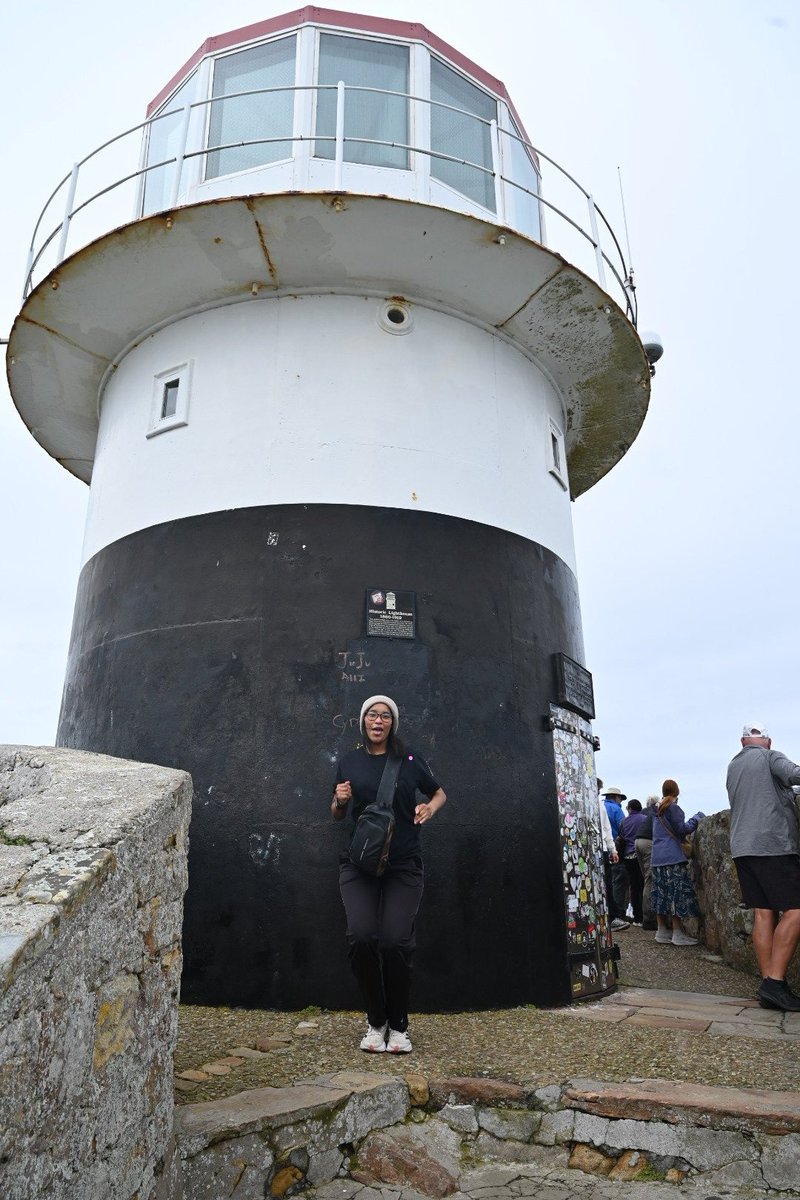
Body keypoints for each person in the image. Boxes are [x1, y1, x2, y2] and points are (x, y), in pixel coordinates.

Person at [332, 695, 446, 1053]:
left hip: (403, 864)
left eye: (384, 716)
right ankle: (376, 1021)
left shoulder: (409, 759)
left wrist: (430, 808)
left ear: (392, 722)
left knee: (395, 941)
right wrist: (340, 800)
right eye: (372, 715)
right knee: (361, 937)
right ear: (363, 721)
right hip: (360, 864)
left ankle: (398, 1026)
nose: (378, 721)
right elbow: (337, 813)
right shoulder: (349, 761)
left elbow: (439, 793)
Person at [726, 720, 800, 1012]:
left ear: (742, 742)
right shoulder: (771, 757)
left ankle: (769, 984)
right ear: (768, 741)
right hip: (772, 844)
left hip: (742, 847)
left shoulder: (733, 766)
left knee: (763, 912)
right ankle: (775, 982)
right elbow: (794, 774)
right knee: (796, 909)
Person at [651, 779, 704, 946]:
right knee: (676, 894)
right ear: (677, 792)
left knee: (661, 895)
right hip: (672, 856)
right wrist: (697, 818)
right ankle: (677, 933)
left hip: (657, 858)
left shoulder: (657, 809)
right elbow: (682, 830)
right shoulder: (673, 808)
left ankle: (661, 931)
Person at [596, 779, 626, 931]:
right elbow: (614, 828)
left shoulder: (601, 805)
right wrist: (613, 849)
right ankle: (614, 917)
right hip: (603, 848)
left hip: (597, 848)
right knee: (609, 883)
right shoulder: (611, 808)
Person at [602, 786, 630, 928]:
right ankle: (616, 914)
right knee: (618, 881)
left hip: (601, 849)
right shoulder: (616, 809)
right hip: (613, 848)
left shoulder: (600, 806)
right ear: (616, 797)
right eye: (620, 798)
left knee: (608, 882)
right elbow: (623, 827)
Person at [618, 799, 646, 925]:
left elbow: (621, 836)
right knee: (644, 885)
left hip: (628, 856)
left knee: (634, 887)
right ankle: (646, 916)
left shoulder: (624, 821)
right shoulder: (645, 819)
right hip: (641, 856)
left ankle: (637, 917)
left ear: (629, 809)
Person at [635, 796, 659, 931]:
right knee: (650, 880)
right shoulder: (656, 810)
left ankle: (645, 916)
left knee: (646, 880)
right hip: (649, 841)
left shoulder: (643, 812)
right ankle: (649, 919)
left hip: (638, 841)